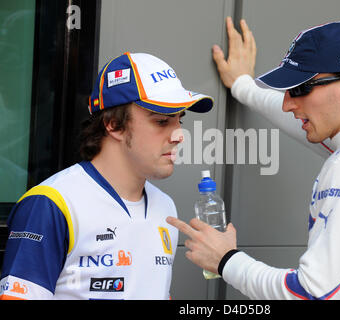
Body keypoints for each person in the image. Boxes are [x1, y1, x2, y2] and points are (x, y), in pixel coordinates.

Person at [167, 19, 340, 299]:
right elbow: (294, 116)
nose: (288, 103)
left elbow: (311, 294)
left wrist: (225, 260)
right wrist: (243, 87)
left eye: (300, 89)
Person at [0, 52, 213, 300]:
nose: (178, 136)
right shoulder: (51, 204)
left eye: (179, 121)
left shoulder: (165, 207)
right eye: (162, 121)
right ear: (113, 124)